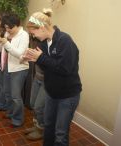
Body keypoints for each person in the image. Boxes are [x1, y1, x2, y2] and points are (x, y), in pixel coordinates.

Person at [23, 8, 82, 146]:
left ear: (42, 27)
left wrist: (41, 58)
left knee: (60, 134)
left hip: (67, 96)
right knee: (48, 127)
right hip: (51, 93)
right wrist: (34, 58)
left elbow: (65, 69)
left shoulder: (65, 41)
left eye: (34, 33)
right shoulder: (44, 43)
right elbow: (48, 67)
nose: (33, 37)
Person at [0, 13, 29, 127]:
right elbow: (5, 51)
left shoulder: (24, 35)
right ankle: (11, 112)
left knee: (16, 96)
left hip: (19, 68)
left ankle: (17, 119)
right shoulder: (7, 33)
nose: (7, 30)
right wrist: (0, 41)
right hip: (8, 67)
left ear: (16, 25)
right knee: (7, 92)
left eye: (9, 27)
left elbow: (19, 53)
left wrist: (6, 43)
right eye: (5, 27)